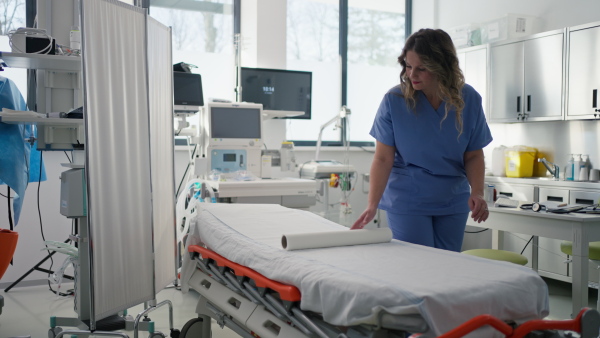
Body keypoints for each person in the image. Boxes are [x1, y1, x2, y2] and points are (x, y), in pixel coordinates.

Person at [351, 28, 492, 252]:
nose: (411, 74)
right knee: (418, 267)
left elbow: (474, 154)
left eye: (422, 68)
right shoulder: (394, 101)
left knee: (447, 267)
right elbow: (383, 159)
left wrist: (477, 192)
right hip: (409, 198)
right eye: (408, 66)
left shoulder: (469, 99)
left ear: (442, 68)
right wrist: (371, 205)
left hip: (452, 199)